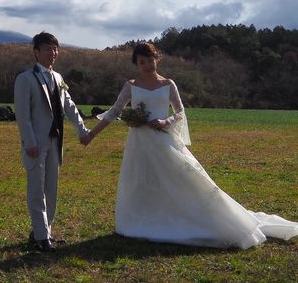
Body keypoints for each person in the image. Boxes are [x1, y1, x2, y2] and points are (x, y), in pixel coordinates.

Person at [85, 42, 298, 248]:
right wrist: (91, 134)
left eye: (150, 60)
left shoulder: (168, 84)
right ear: (136, 64)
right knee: (142, 181)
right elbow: (114, 111)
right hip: (139, 142)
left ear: (157, 59)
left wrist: (164, 121)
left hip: (162, 138)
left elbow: (180, 112)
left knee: (182, 180)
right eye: (142, 62)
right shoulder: (131, 85)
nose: (147, 65)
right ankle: (143, 220)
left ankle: (195, 217)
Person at [14, 31, 91, 252]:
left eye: (55, 48)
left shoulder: (58, 78)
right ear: (36, 52)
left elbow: (69, 106)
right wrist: (29, 142)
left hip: (55, 141)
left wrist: (82, 130)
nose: (53, 52)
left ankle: (44, 231)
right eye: (48, 48)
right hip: (36, 143)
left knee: (51, 188)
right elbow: (23, 114)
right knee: (36, 189)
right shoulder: (25, 79)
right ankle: (41, 237)